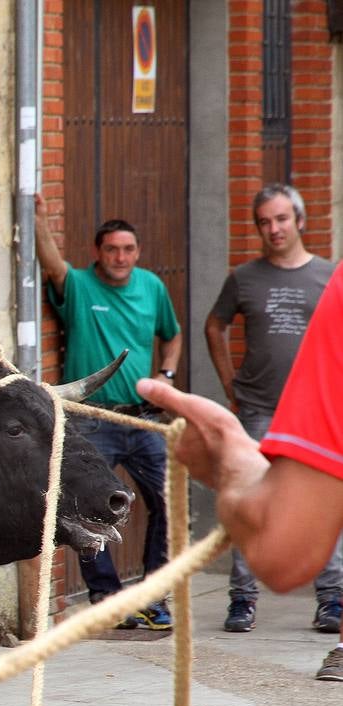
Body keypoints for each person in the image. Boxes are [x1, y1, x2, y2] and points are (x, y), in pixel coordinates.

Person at [139, 257, 343, 680]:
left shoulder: (334, 285)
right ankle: (243, 599)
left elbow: (287, 553)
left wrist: (234, 471)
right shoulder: (248, 279)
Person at [36, 193, 184, 628]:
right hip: (93, 420)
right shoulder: (80, 286)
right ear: (98, 253)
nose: (120, 257)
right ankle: (107, 596)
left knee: (168, 502)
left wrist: (167, 376)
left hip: (141, 418)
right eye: (112, 249)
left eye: (128, 249)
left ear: (137, 253)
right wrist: (40, 219)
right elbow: (52, 264)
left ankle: (153, 598)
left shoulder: (152, 287)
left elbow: (171, 334)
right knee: (90, 505)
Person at [205, 183, 343, 633]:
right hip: (259, 407)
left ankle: (332, 599)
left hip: (315, 413)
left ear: (300, 221)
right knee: (252, 501)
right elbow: (214, 325)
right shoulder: (244, 278)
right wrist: (230, 383)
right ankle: (242, 600)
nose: (273, 229)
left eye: (281, 219)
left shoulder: (329, 275)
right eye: (264, 222)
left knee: (327, 501)